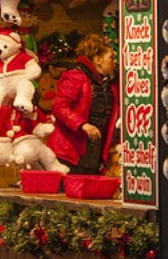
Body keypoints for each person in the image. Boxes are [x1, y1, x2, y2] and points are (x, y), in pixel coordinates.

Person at [49, 35, 120, 175]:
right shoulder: (76, 77)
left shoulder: (110, 84)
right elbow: (59, 107)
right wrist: (82, 124)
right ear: (98, 60)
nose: (115, 61)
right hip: (70, 152)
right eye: (111, 57)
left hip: (94, 152)